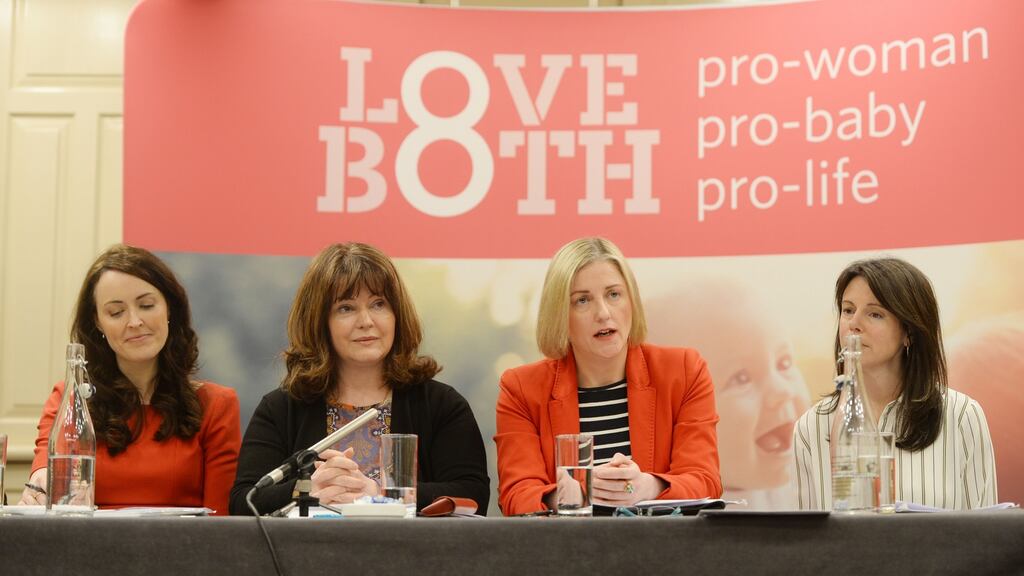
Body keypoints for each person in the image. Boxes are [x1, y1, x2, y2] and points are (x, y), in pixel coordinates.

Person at [230, 242, 489, 515]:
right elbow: (242, 503)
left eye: (378, 304)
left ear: (397, 314)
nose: (366, 321)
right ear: (319, 322)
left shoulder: (441, 405)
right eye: (346, 308)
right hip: (311, 545)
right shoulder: (281, 409)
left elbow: (473, 497)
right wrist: (303, 491)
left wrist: (381, 495)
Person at [495, 237, 721, 515]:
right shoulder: (521, 389)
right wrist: (573, 494)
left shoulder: (684, 371)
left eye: (613, 294)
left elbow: (705, 481)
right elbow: (516, 496)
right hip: (569, 542)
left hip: (661, 542)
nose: (603, 313)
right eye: (582, 300)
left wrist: (647, 487)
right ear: (559, 315)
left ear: (632, 300)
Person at [18, 244, 241, 514]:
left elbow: (220, 523)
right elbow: (46, 471)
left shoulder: (216, 405)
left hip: (183, 542)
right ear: (98, 322)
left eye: (146, 305)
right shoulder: (72, 398)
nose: (134, 321)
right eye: (116, 312)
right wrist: (41, 481)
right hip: (87, 540)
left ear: (169, 309)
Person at [793, 257, 998, 510]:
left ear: (909, 332)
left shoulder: (962, 415)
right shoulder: (811, 426)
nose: (854, 324)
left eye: (875, 314)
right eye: (848, 310)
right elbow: (806, 534)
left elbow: (986, 529)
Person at [646, 278, 810, 509]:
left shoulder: (808, 488)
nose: (782, 391)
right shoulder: (676, 511)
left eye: (784, 363)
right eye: (741, 378)